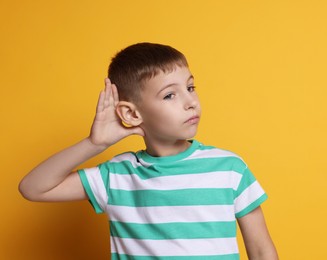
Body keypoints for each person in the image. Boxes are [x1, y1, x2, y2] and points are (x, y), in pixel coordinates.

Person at [19, 42, 278, 260]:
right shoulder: (117, 176)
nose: (190, 102)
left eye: (190, 88)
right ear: (132, 113)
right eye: (169, 95)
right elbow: (33, 188)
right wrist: (95, 144)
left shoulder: (229, 168)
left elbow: (261, 250)